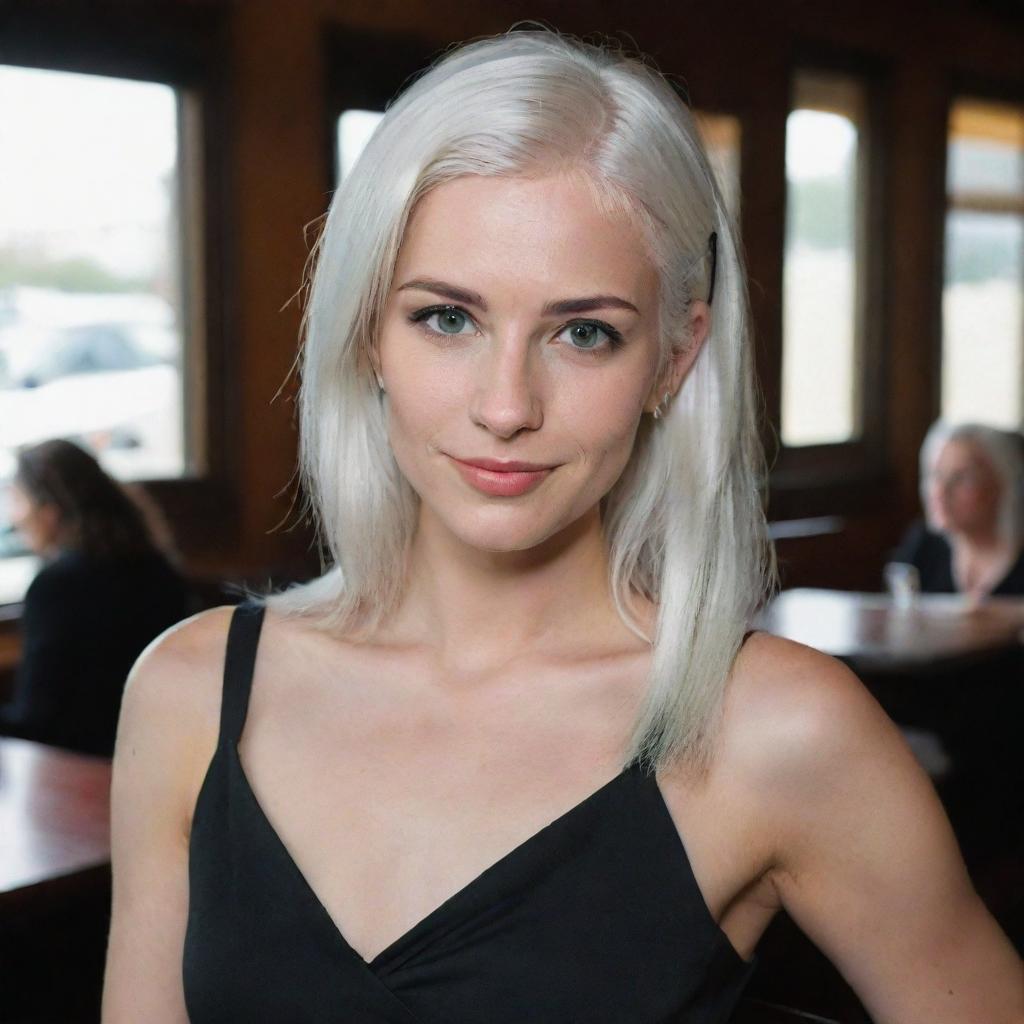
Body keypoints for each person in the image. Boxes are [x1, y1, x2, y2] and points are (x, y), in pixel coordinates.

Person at [102, 30, 1023, 1023]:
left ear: (673, 360)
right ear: (369, 329)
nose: (506, 406)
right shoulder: (186, 694)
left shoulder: (780, 731)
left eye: (584, 333)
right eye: (447, 318)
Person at [0, 439, 190, 756]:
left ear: (48, 512)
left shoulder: (57, 587)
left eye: (17, 500)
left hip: (79, 771)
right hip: (156, 754)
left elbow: (40, 721)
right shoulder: (158, 570)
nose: (14, 518)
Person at [890, 420, 1024, 598]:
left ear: (1002, 484)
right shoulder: (923, 545)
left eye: (961, 478)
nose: (940, 492)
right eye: (935, 475)